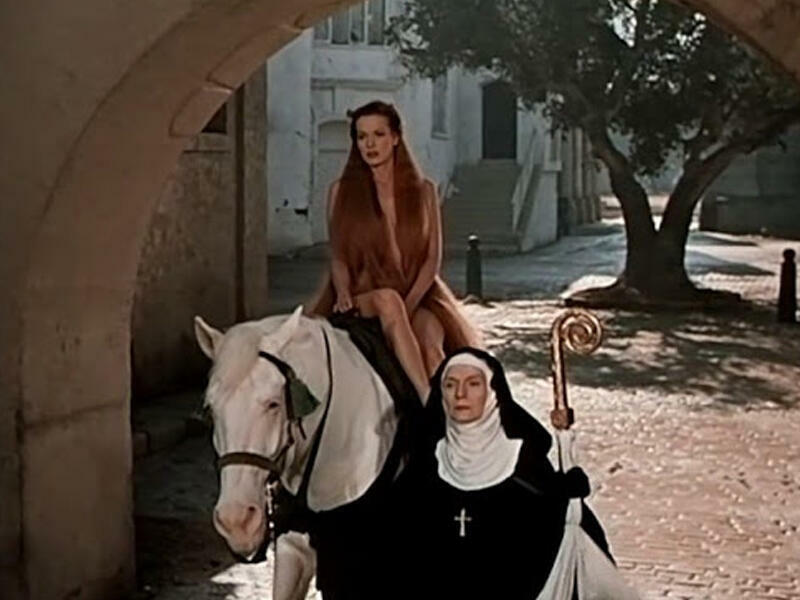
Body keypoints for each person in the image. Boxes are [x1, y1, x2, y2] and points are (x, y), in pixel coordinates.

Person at [395, 348, 613, 599]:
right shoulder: (427, 464)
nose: (460, 394)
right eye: (450, 385)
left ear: (493, 393)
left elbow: (553, 532)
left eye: (473, 384)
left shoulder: (522, 461)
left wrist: (565, 496)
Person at [309, 100, 480, 400]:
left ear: (396, 137)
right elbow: (338, 255)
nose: (370, 144)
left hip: (416, 295)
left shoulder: (425, 191)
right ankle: (426, 402)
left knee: (431, 345)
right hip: (364, 297)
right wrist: (344, 291)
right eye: (362, 137)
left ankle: (448, 419)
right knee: (387, 300)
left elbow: (432, 259)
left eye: (378, 135)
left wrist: (409, 305)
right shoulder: (341, 192)